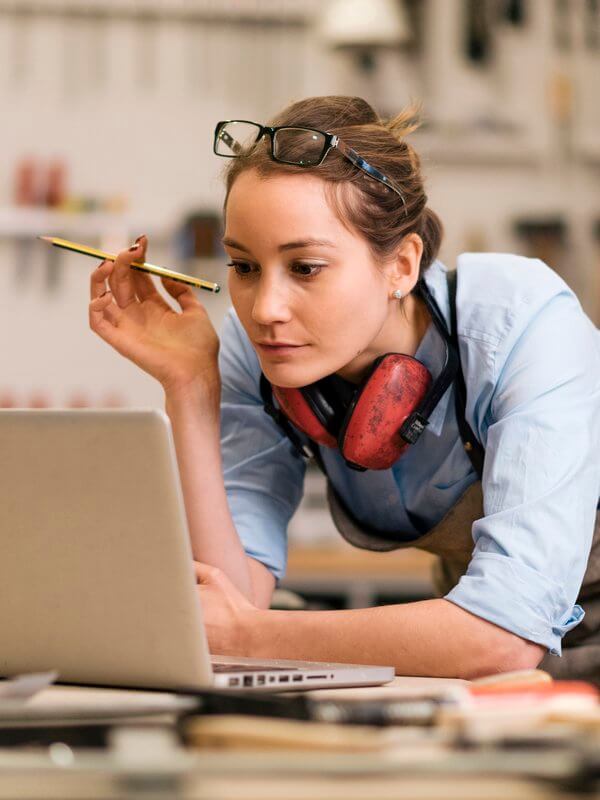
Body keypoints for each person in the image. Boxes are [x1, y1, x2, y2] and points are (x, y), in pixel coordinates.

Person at [89, 95, 600, 681]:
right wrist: (191, 390)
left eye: (305, 268)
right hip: (490, 669)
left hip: (500, 650)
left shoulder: (519, 324)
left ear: (401, 265)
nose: (265, 309)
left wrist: (252, 635)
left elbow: (505, 633)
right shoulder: (256, 353)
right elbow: (230, 600)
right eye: (245, 267)